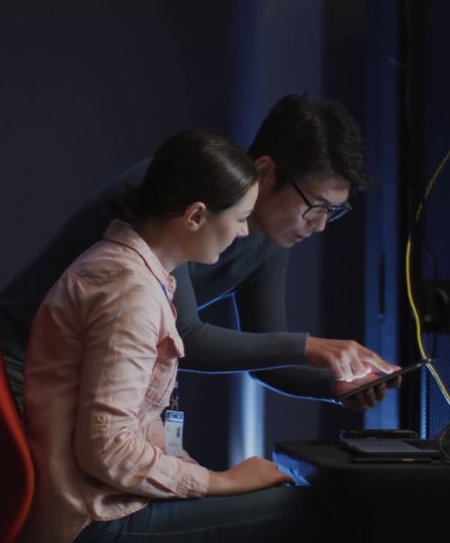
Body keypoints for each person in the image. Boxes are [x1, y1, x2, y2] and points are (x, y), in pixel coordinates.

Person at [0, 94, 402, 414]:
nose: (320, 225)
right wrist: (309, 347)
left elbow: (264, 355)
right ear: (264, 172)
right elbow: (181, 337)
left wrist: (336, 385)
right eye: (315, 206)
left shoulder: (270, 239)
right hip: (23, 357)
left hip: (80, 374)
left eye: (334, 212)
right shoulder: (178, 189)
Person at [21, 130, 333, 543]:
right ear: (196, 216)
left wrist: (204, 480)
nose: (244, 233)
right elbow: (106, 450)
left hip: (107, 501)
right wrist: (222, 482)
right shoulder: (129, 294)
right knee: (313, 511)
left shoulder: (137, 275)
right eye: (240, 218)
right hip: (96, 519)